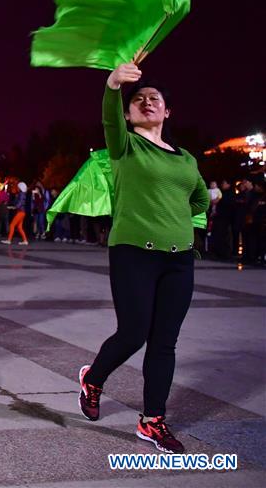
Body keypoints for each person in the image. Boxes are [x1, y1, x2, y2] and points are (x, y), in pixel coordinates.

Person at [78, 63, 208, 454]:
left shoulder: (186, 159)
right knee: (134, 332)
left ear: (167, 112)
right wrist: (114, 84)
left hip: (179, 259)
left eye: (155, 99)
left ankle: (153, 421)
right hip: (134, 252)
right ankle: (93, 379)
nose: (147, 102)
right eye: (139, 100)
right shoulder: (126, 145)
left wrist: (174, 217)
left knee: (165, 341)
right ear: (130, 113)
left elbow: (200, 198)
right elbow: (108, 116)